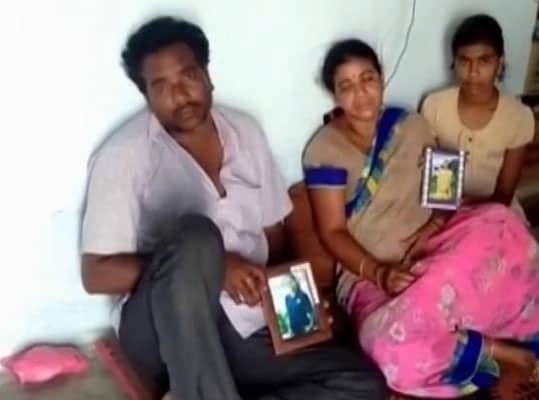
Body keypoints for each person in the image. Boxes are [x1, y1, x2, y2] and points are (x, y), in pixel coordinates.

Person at [80, 17, 386, 400]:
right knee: (196, 237)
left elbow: (275, 241)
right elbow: (96, 274)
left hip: (244, 322)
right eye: (161, 86)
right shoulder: (124, 155)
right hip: (162, 330)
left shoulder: (246, 132)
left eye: (188, 76)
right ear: (147, 96)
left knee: (361, 384)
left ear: (207, 76)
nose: (180, 94)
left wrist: (300, 308)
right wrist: (213, 268)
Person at [303, 38, 539, 399]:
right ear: (334, 94)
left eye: (367, 79)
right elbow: (332, 231)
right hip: (370, 273)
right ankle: (492, 349)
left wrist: (434, 226)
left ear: (382, 77)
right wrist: (380, 272)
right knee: (385, 347)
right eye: (347, 85)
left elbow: (444, 188)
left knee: (501, 219)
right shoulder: (325, 149)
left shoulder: (410, 125)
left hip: (433, 248)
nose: (360, 93)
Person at [420, 14, 539, 319]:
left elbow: (504, 193)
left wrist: (472, 223)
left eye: (484, 61)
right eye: (464, 61)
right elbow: (436, 179)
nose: (473, 72)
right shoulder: (435, 106)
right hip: (444, 215)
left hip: (497, 215)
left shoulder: (518, 116)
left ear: (500, 62)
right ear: (453, 62)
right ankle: (538, 238)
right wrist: (447, 220)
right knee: (448, 292)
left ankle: (538, 241)